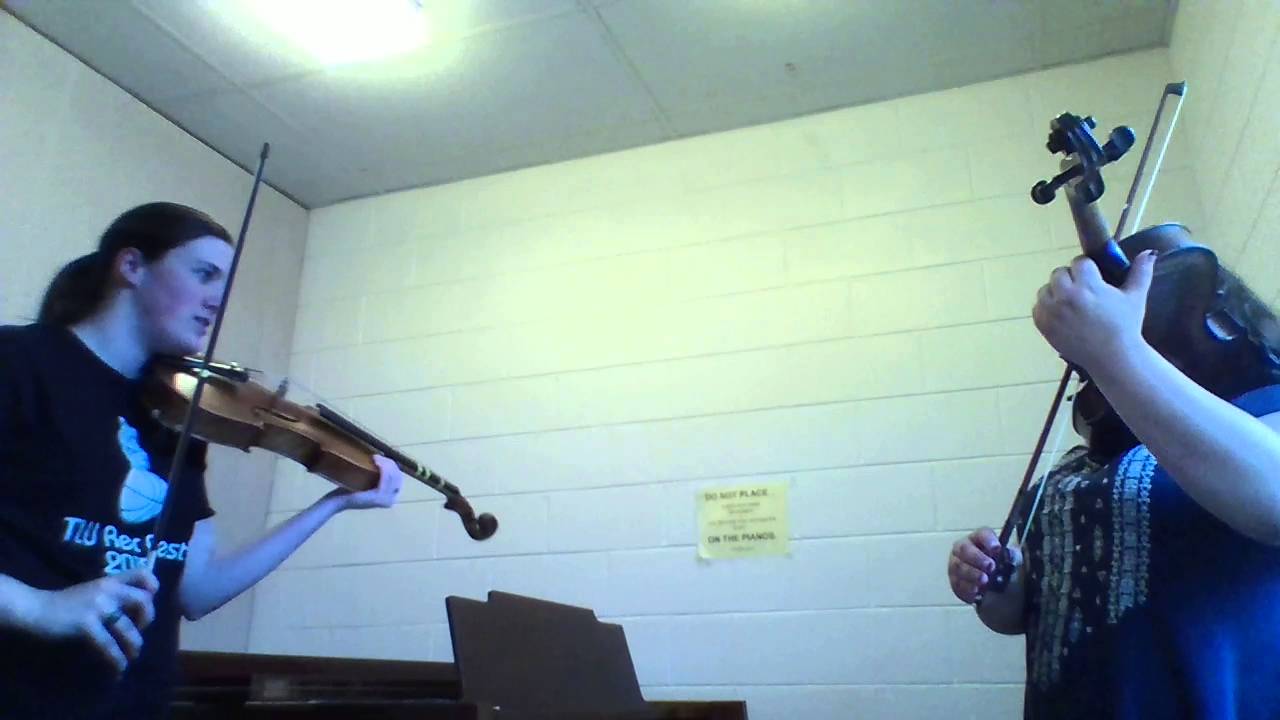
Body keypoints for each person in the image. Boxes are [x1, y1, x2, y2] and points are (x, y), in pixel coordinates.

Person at [0, 202, 406, 718]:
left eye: (224, 284)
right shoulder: (19, 363)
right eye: (204, 274)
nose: (217, 301)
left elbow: (197, 590)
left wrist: (332, 505)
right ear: (132, 266)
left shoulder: (180, 412)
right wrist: (37, 606)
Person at [947, 228, 1280, 718]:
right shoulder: (1079, 462)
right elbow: (1035, 610)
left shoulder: (1264, 413)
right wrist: (1001, 583)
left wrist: (1115, 348)